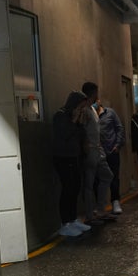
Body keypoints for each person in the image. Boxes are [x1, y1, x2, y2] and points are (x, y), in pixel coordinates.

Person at [51, 91, 91, 237]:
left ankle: (73, 219)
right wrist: (74, 120)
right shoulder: (60, 116)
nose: (81, 110)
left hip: (75, 158)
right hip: (63, 158)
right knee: (67, 189)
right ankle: (65, 223)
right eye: (80, 107)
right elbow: (64, 135)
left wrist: (79, 122)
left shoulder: (75, 118)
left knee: (75, 188)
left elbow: (81, 135)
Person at [80, 82, 115, 225]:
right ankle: (90, 214)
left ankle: (100, 209)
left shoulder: (92, 109)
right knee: (88, 183)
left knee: (107, 175)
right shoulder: (84, 110)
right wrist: (85, 146)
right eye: (96, 92)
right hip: (90, 150)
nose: (98, 95)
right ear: (92, 93)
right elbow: (81, 129)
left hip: (97, 149)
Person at [96, 99, 125, 214]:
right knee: (97, 179)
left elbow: (119, 128)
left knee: (114, 176)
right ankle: (99, 205)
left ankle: (115, 201)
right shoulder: (90, 114)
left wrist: (117, 145)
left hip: (111, 150)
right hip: (98, 152)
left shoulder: (110, 113)